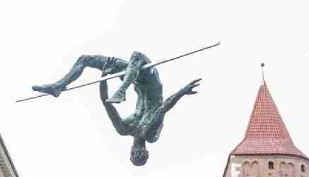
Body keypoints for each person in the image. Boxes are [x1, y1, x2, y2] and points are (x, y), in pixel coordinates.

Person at [32, 52, 201, 166]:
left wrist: (104, 78)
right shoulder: (149, 134)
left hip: (135, 76)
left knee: (86, 59)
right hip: (149, 81)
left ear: (132, 152)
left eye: (135, 154)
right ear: (137, 152)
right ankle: (120, 90)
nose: (136, 150)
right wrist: (182, 92)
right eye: (137, 153)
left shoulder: (124, 128)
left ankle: (57, 87)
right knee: (135, 56)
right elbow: (163, 108)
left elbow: (106, 104)